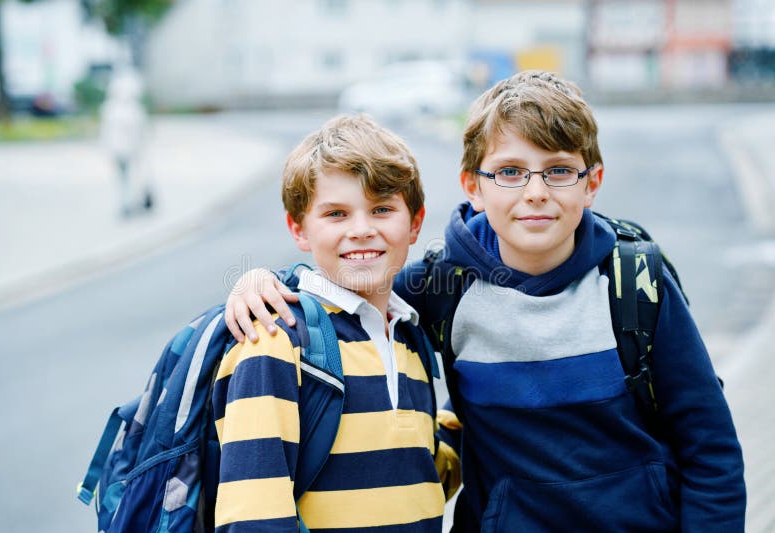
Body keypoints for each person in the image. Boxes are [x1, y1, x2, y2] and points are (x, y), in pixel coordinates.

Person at [223, 70, 746, 532]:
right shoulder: (439, 289)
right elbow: (353, 288)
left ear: (592, 183)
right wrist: (266, 282)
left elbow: (711, 448)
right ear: (474, 185)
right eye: (511, 171)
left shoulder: (636, 282)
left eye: (559, 170)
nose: (536, 191)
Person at [212, 114, 458, 532]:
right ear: (299, 229)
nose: (361, 230)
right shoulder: (275, 341)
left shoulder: (408, 338)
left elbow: (419, 475)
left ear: (415, 223)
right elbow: (253, 516)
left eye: (382, 209)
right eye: (337, 214)